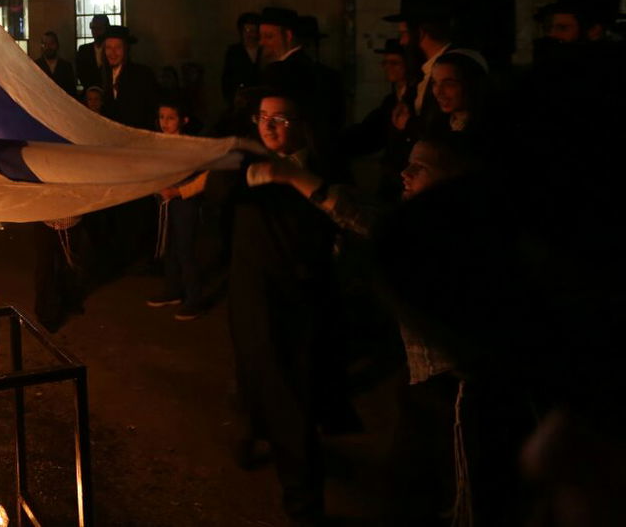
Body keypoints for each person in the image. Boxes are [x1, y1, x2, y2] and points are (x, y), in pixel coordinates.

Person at [246, 133, 477, 526]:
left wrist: (291, 176)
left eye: (419, 168)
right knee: (409, 487)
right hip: (425, 382)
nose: (405, 173)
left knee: (454, 491)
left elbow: (363, 218)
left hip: (454, 390)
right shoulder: (426, 217)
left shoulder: (445, 231)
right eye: (407, 162)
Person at [228, 88, 346, 525]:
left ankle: (303, 503)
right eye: (263, 117)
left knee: (293, 400)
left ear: (302, 123)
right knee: (255, 377)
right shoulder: (243, 166)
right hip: (253, 299)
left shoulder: (319, 170)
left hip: (300, 303)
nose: (270, 126)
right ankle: (253, 434)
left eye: (282, 118)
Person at [146, 98, 207, 320]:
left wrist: (180, 192)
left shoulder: (190, 146)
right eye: (162, 117)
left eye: (171, 118)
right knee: (168, 247)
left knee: (185, 250)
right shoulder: (159, 143)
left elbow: (204, 178)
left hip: (184, 203)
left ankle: (194, 299)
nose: (165, 122)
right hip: (165, 202)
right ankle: (173, 291)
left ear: (184, 120)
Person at [341, 39, 416, 201]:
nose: (388, 67)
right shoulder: (390, 100)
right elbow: (371, 129)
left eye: (395, 63)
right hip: (392, 172)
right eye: (385, 63)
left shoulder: (415, 97)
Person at [258, 6, 344, 138]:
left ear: (288, 35)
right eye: (261, 37)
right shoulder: (327, 73)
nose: (262, 43)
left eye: (268, 36)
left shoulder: (278, 71)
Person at [99, 25, 159, 130]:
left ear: (126, 49)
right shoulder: (102, 74)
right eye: (108, 48)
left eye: (118, 47)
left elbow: (151, 112)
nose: (112, 53)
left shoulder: (142, 74)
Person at [424, 49, 489, 138]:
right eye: (434, 83)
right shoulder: (438, 125)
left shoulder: (489, 131)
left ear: (471, 84)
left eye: (448, 84)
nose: (438, 92)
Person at [221, 12, 263, 106]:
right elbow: (227, 79)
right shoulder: (234, 52)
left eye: (253, 30)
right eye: (247, 30)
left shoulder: (264, 50)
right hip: (242, 101)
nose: (250, 34)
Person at [34, 30, 77, 97]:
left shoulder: (66, 66)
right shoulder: (36, 65)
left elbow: (72, 92)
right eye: (45, 44)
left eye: (51, 44)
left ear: (57, 45)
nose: (48, 47)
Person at [74, 13, 110, 91]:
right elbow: (80, 73)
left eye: (99, 28)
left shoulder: (112, 50)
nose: (95, 31)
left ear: (107, 29)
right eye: (93, 28)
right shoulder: (83, 50)